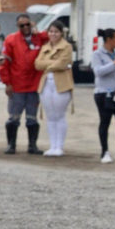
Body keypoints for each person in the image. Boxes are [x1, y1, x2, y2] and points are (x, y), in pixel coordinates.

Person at [0, 12, 47, 155]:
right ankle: (11, 145)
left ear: (31, 24)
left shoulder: (39, 38)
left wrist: (39, 30)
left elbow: (52, 36)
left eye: (27, 24)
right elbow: (3, 63)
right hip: (16, 86)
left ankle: (32, 146)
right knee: (13, 118)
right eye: (21, 25)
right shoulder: (11, 40)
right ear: (17, 26)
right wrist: (7, 83)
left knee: (32, 118)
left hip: (33, 86)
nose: (25, 27)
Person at [34, 23, 75, 157]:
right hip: (46, 83)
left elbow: (63, 63)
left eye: (56, 32)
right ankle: (52, 145)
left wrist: (48, 64)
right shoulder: (45, 47)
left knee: (59, 115)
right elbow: (37, 64)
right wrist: (52, 64)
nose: (53, 34)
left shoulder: (67, 46)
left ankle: (59, 146)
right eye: (51, 31)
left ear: (61, 33)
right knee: (50, 116)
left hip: (61, 83)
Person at [91, 27, 115, 163]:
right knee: (105, 122)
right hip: (103, 93)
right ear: (109, 39)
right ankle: (104, 152)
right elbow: (98, 72)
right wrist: (114, 63)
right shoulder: (97, 54)